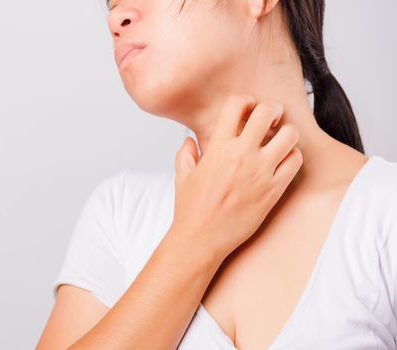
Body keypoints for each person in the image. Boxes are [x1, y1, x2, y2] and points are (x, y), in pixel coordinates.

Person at [36, 0, 397, 349]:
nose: (116, 19)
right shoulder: (118, 214)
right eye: (111, 3)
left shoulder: (385, 209)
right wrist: (196, 238)